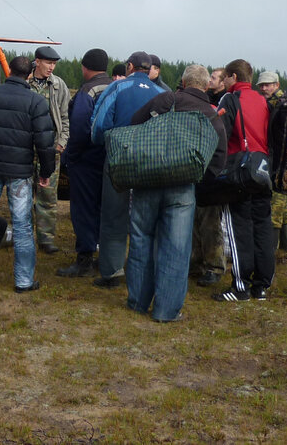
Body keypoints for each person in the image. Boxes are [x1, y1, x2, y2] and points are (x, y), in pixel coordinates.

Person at [125, 65, 227, 321]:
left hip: (148, 180)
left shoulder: (166, 99)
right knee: (177, 249)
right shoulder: (211, 114)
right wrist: (197, 179)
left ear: (182, 81)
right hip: (183, 188)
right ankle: (166, 311)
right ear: (206, 86)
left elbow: (134, 124)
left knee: (141, 239)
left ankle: (137, 302)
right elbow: (218, 158)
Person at [0, 55, 56, 292]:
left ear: (9, 71)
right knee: (23, 226)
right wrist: (46, 172)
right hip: (20, 172)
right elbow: (45, 143)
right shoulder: (35, 102)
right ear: (28, 75)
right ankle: (23, 281)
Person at [89, 51, 164, 289]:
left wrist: (104, 144)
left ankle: (112, 271)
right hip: (151, 161)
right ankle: (142, 272)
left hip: (118, 158)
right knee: (147, 219)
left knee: (113, 216)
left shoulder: (116, 88)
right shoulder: (162, 93)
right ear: (149, 68)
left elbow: (99, 125)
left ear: (130, 66)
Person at [212, 59, 275, 302]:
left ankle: (241, 286)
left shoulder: (229, 99)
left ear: (233, 77)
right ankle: (261, 285)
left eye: (226, 77)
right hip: (263, 169)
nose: (224, 81)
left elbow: (221, 133)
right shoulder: (262, 100)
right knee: (262, 227)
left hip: (240, 170)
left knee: (239, 228)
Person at [57, 48, 112, 278]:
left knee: (83, 208)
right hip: (110, 159)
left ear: (85, 67)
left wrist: (72, 156)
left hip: (87, 160)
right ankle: (104, 254)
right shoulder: (115, 86)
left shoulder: (87, 91)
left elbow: (78, 127)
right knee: (104, 208)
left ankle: (85, 258)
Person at [28, 45, 70, 255]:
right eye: (48, 63)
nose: (51, 67)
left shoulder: (58, 86)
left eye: (54, 64)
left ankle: (46, 239)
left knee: (47, 197)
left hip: (50, 150)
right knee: (23, 195)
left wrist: (61, 143)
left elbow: (64, 117)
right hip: (26, 150)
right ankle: (24, 236)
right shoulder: (25, 83)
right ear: (37, 61)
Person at [189, 65, 229, 285]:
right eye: (210, 77)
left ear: (223, 82)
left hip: (212, 170)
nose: (211, 81)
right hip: (198, 169)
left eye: (215, 78)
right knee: (195, 219)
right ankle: (195, 262)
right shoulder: (207, 100)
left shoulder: (225, 103)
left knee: (210, 222)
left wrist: (214, 171)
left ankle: (214, 266)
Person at [256, 70, 287, 252]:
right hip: (284, 163)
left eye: (268, 85)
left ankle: (269, 254)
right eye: (261, 85)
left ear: (276, 85)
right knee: (284, 208)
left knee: (276, 209)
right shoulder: (279, 102)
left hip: (282, 164)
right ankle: (285, 250)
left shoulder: (283, 106)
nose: (264, 88)